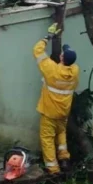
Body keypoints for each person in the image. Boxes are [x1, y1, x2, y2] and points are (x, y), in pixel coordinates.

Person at [33, 23, 79, 175]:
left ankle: (53, 169)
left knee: (47, 138)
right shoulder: (74, 71)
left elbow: (37, 50)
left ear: (61, 57)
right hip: (63, 113)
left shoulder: (51, 69)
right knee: (61, 133)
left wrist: (48, 36)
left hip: (49, 113)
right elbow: (69, 59)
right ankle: (64, 158)